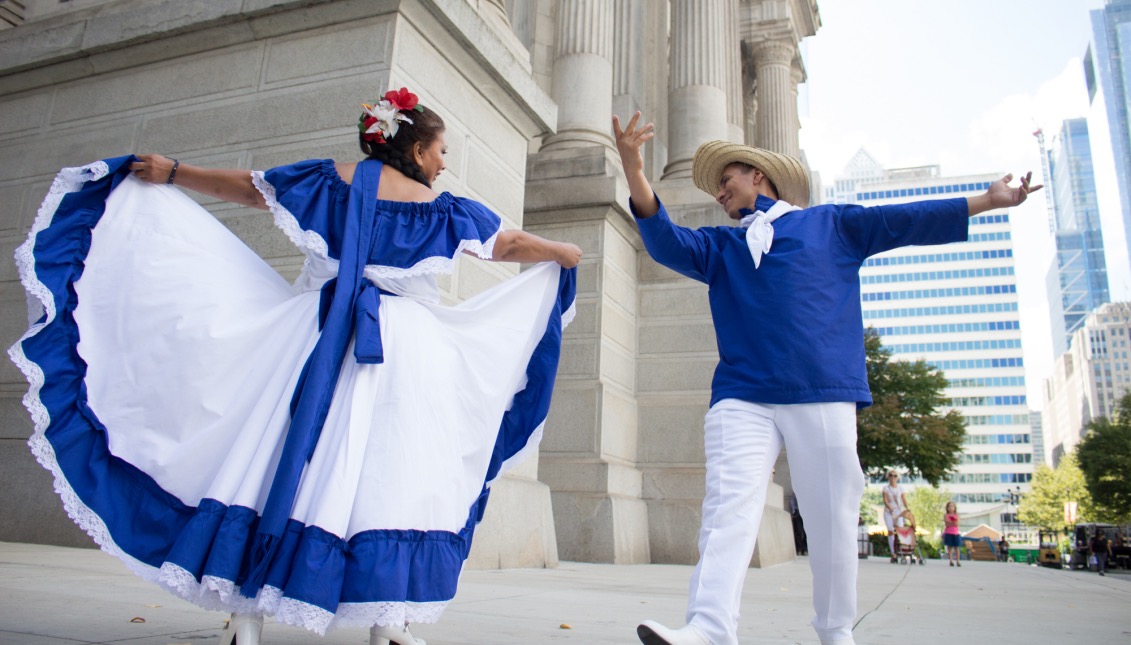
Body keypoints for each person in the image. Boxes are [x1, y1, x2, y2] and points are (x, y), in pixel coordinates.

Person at [9, 87, 581, 645]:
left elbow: (251, 189)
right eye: (441, 150)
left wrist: (176, 170)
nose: (444, 161)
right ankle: (388, 619)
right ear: (414, 150)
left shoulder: (326, 180)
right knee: (391, 472)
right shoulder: (442, 209)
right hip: (401, 351)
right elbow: (505, 245)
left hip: (312, 334)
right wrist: (559, 252)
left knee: (272, 458)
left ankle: (247, 612)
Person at [612, 112, 1041, 645]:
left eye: (727, 180)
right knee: (727, 509)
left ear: (758, 177)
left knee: (832, 519)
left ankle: (836, 631)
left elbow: (905, 218)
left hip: (821, 391)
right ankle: (708, 628)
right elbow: (664, 240)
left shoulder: (833, 225)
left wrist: (987, 200)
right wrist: (633, 166)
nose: (720, 192)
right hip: (742, 396)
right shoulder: (721, 248)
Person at [883, 471, 910, 563]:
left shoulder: (900, 488)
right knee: (890, 530)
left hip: (899, 511)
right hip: (889, 512)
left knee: (900, 530)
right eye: (891, 475)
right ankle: (893, 552)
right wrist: (889, 507)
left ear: (897, 477)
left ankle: (902, 550)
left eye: (895, 476)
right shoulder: (886, 488)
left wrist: (908, 508)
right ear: (888, 477)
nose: (893, 477)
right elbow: (885, 500)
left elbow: (904, 499)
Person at [943, 501, 962, 567]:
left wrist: (951, 522)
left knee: (957, 547)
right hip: (948, 532)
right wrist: (952, 522)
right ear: (947, 508)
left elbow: (957, 524)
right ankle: (951, 560)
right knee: (950, 547)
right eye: (949, 507)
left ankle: (958, 560)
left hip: (956, 533)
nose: (951, 508)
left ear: (954, 507)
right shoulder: (946, 515)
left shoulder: (957, 515)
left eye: (952, 506)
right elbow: (946, 523)